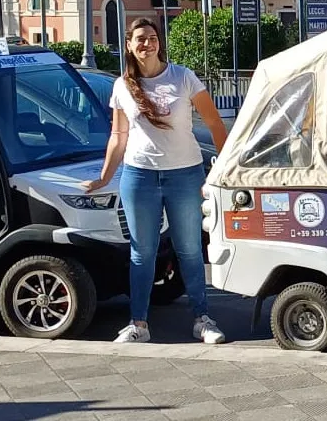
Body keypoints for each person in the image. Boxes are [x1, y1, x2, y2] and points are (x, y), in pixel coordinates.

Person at [83, 18, 229, 344]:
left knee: (189, 249)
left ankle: (202, 319)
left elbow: (216, 124)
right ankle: (139, 324)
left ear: (159, 42)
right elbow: (118, 136)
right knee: (142, 252)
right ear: (129, 46)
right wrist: (104, 177)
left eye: (152, 38)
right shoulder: (122, 86)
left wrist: (224, 167)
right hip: (139, 176)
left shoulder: (183, 77)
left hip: (185, 174)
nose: (147, 44)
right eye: (140, 39)